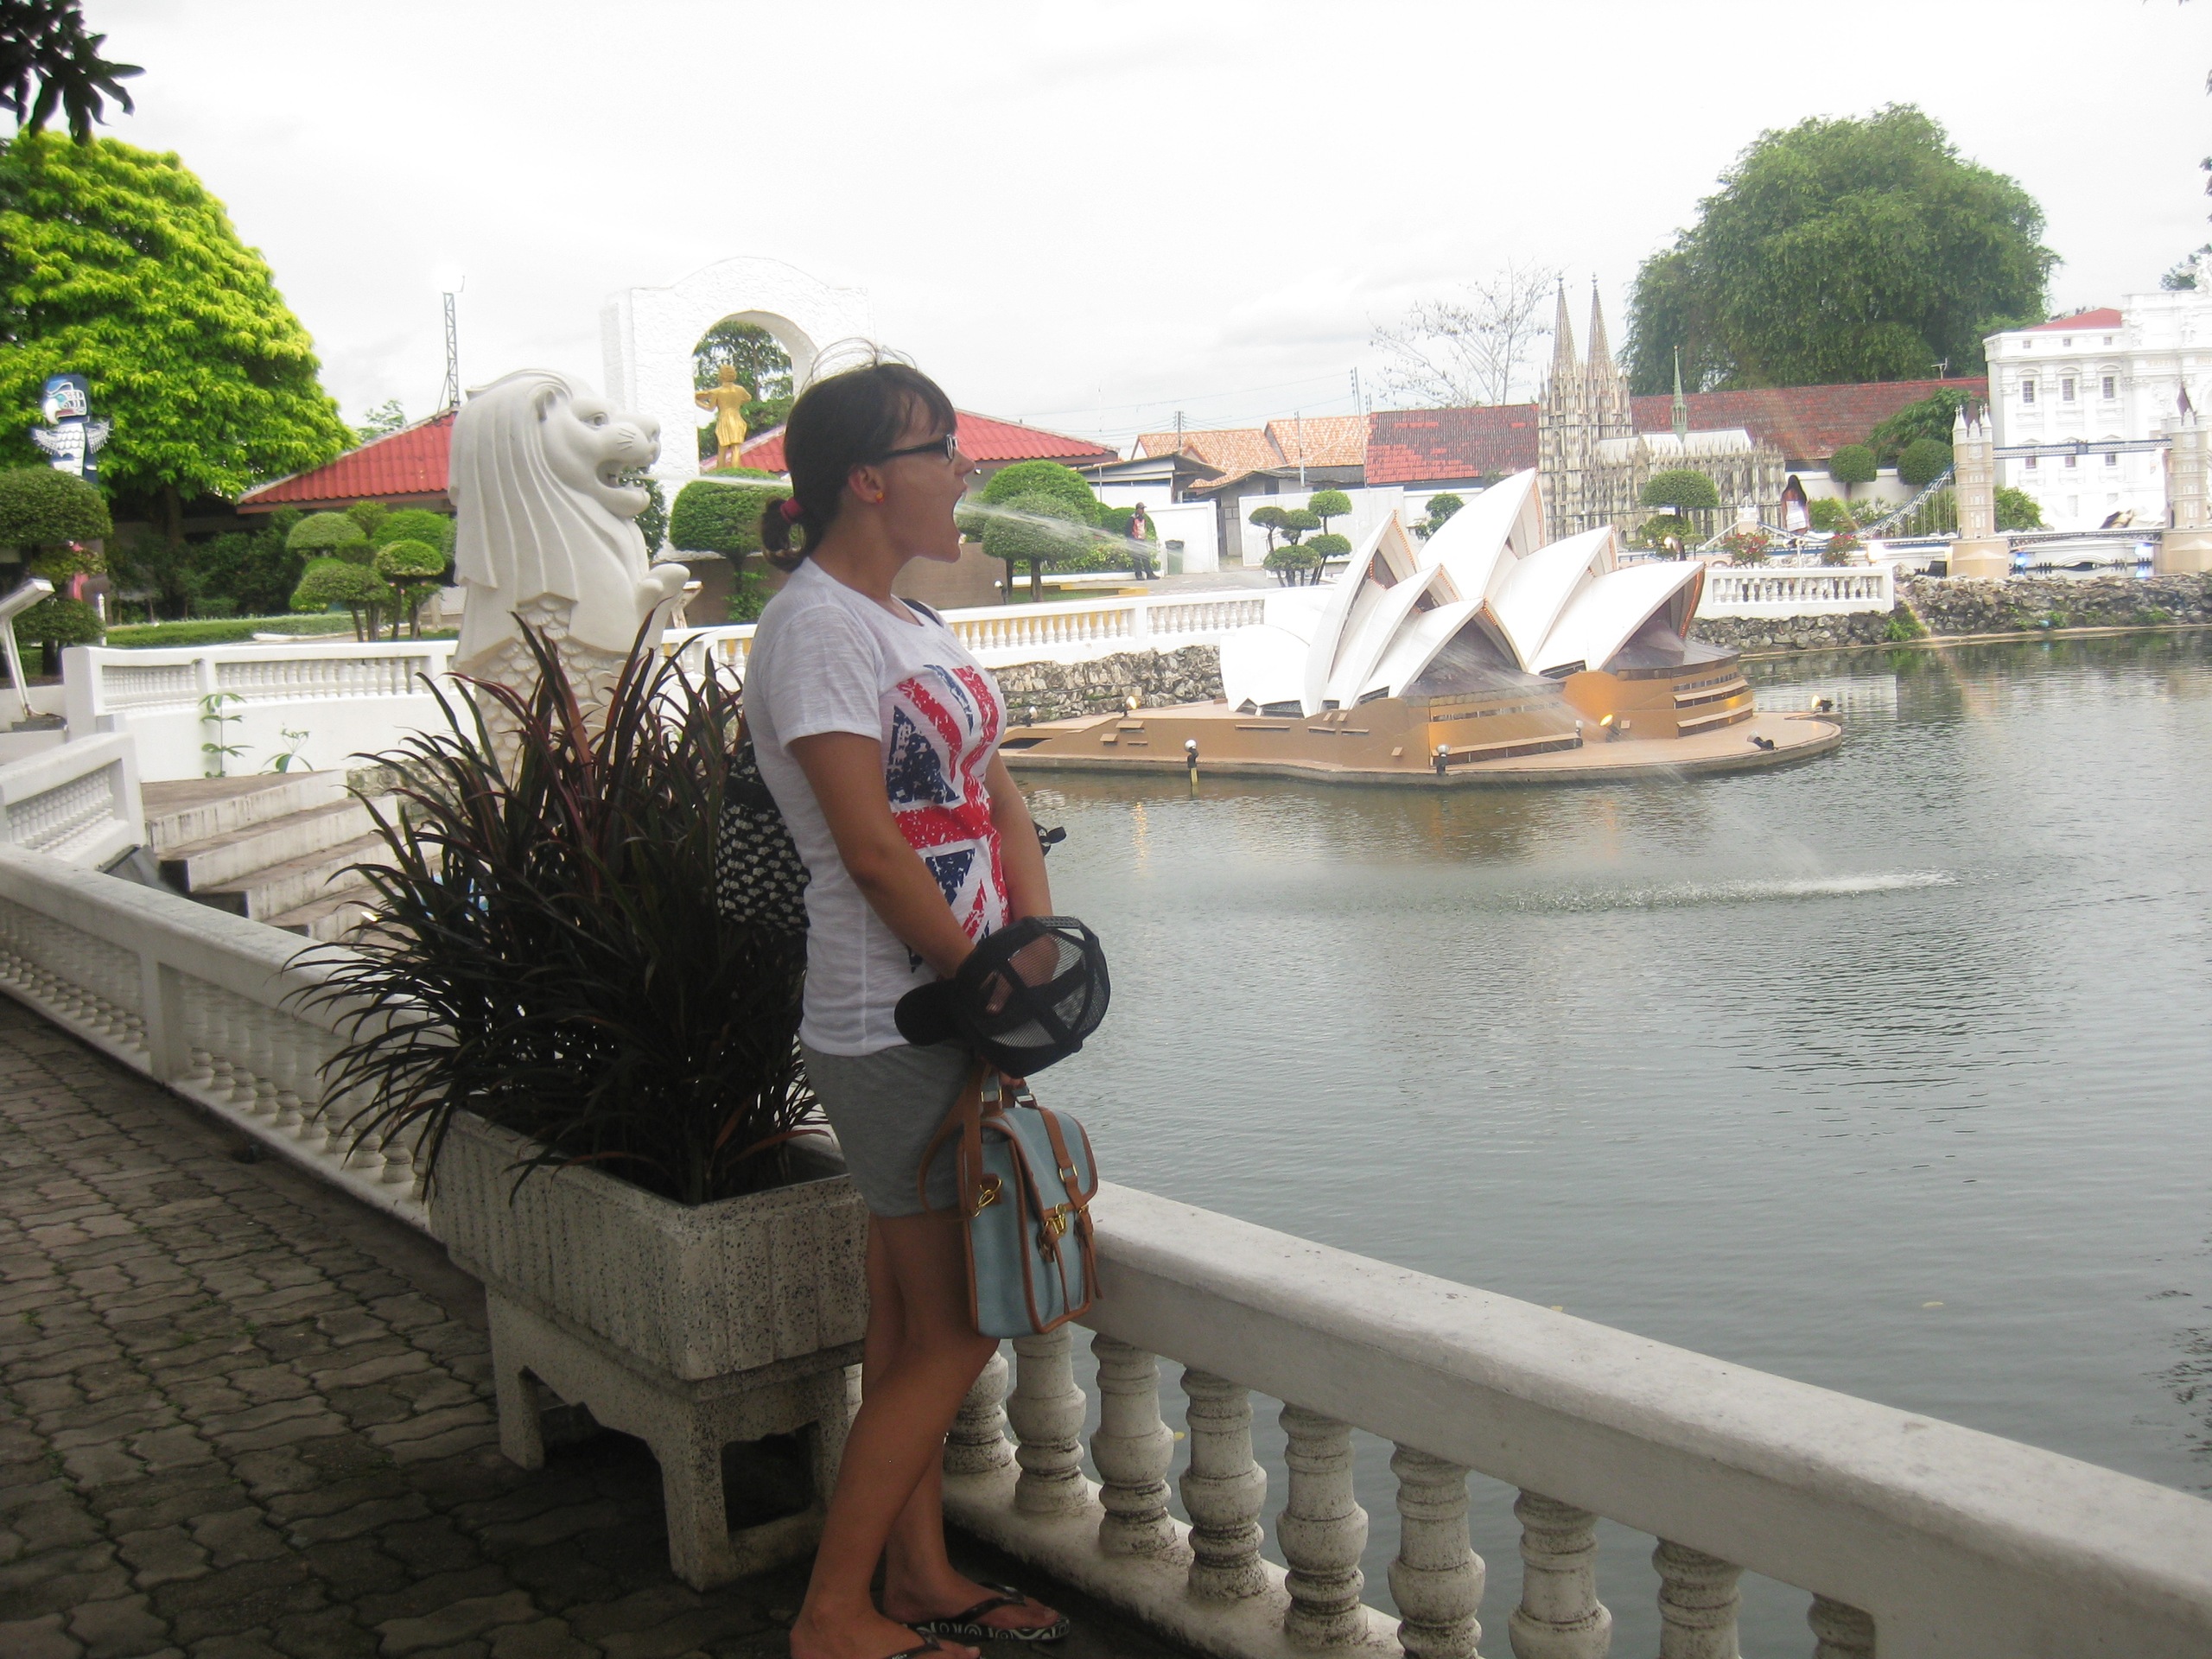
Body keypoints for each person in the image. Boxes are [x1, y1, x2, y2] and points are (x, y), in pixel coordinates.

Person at [744, 353, 1068, 1659]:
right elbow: (872, 852)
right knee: (957, 1329)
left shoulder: (913, 623)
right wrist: (981, 988)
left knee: (905, 1325)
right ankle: (832, 1616)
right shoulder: (817, 626)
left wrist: (1033, 949)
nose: (963, 472)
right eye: (941, 449)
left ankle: (919, 1576)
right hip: (895, 1020)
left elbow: (995, 798)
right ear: (869, 480)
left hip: (960, 1001)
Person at [1126, 501, 1158, 579]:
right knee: (1137, 559)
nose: (1143, 511)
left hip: (1142, 541)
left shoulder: (1143, 519)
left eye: (1143, 509)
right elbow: (1127, 531)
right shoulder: (1132, 519)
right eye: (1141, 509)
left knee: (1146, 558)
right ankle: (1139, 575)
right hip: (1135, 542)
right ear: (1137, 509)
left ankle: (1149, 574)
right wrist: (1133, 540)